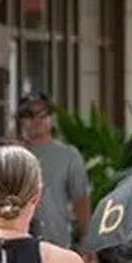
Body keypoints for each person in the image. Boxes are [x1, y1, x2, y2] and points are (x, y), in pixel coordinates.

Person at [17, 92, 92, 250]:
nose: (36, 120)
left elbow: (81, 199)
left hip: (57, 243)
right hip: (16, 243)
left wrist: (88, 238)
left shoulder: (68, 155)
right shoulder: (11, 155)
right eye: (29, 115)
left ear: (51, 117)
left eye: (42, 114)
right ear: (20, 120)